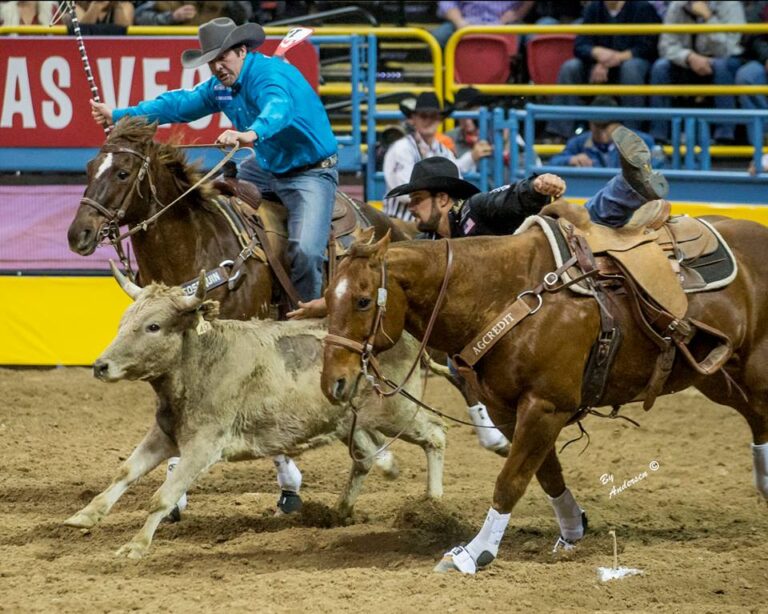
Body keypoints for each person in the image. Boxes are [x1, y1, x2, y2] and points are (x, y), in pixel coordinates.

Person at [90, 16, 339, 514]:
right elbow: (176, 104)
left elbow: (278, 110)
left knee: (308, 251)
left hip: (308, 173)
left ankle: (310, 316)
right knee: (216, 208)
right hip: (263, 166)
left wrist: (248, 133)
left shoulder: (271, 76)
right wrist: (122, 113)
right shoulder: (221, 87)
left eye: (223, 58)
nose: (218, 67)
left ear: (242, 51)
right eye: (213, 61)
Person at [544, 0, 661, 141]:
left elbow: (648, 46)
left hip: (630, 63)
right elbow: (580, 44)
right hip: (597, 66)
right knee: (570, 67)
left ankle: (633, 131)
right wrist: (597, 53)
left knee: (632, 68)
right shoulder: (594, 7)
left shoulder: (643, 8)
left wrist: (616, 58)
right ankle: (560, 133)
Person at [650, 1, 745, 144]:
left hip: (720, 60)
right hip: (685, 61)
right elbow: (665, 46)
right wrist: (688, 57)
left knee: (722, 66)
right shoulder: (677, 5)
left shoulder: (730, 5)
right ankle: (659, 136)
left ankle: (724, 136)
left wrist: (708, 17)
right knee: (660, 67)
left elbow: (728, 48)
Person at [383, 92, 457, 222]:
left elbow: (457, 188)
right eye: (423, 116)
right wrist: (443, 194)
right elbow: (405, 194)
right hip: (400, 224)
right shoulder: (401, 148)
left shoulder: (446, 152)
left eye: (433, 116)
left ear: (440, 119)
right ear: (413, 118)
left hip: (433, 225)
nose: (428, 121)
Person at [549, 96, 660, 168]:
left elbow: (661, 165)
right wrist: (570, 160)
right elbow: (553, 162)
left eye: (605, 126)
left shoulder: (641, 141)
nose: (602, 133)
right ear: (589, 123)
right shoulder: (578, 143)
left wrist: (642, 167)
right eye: (597, 126)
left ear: (617, 124)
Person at [432, 1, 535, 48]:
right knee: (438, 37)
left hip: (506, 23)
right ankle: (448, 80)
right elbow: (447, 3)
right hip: (466, 22)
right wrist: (459, 21)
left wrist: (517, 14)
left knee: (532, 38)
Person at [134, 1, 252, 26]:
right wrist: (171, 17)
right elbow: (139, 17)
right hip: (175, 52)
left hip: (217, 51)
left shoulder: (226, 4)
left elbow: (245, 16)